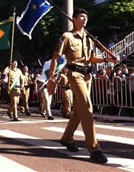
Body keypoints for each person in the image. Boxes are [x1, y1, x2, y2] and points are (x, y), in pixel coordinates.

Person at [47, 8, 118, 164]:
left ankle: (67, 138)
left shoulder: (89, 37)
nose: (85, 19)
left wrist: (107, 60)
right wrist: (51, 78)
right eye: (81, 16)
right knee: (87, 107)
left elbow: (90, 58)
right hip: (75, 74)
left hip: (88, 75)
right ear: (74, 19)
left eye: (86, 16)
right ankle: (94, 149)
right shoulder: (67, 36)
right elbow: (56, 57)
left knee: (79, 110)